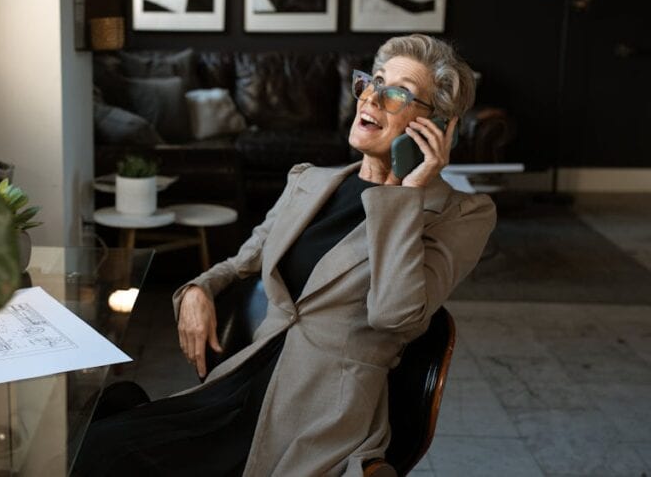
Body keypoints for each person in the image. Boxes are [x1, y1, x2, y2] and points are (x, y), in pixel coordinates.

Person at [75, 34, 497, 477]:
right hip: (241, 387)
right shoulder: (308, 181)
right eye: (373, 82)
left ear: (435, 127)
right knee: (97, 442)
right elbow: (244, 259)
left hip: (320, 419)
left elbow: (394, 316)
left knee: (108, 453)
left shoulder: (460, 214)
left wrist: (406, 194)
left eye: (396, 93)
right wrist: (199, 289)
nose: (371, 97)